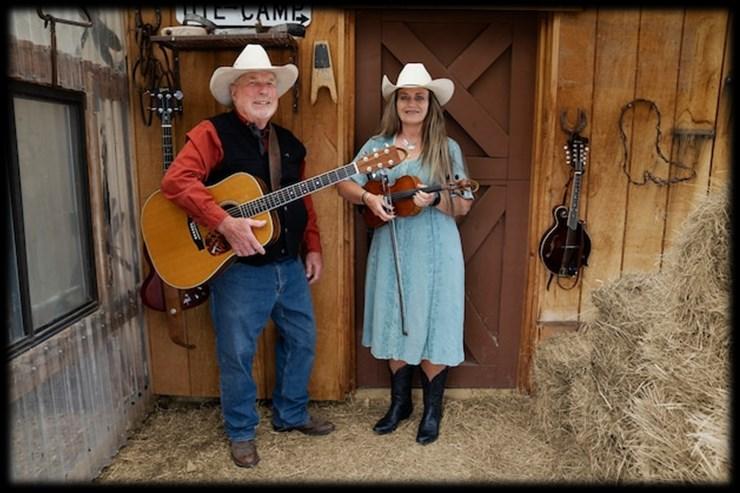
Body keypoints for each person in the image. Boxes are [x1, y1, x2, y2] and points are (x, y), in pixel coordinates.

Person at [160, 44, 334, 469]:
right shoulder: (212, 133)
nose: (263, 89)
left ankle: (291, 413)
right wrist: (223, 221)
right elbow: (176, 181)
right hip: (238, 270)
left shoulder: (289, 143)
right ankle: (241, 432)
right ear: (234, 91)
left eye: (269, 82)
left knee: (302, 340)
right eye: (253, 82)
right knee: (236, 353)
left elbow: (304, 200)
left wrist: (312, 245)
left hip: (288, 265)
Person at [336, 63, 474, 445]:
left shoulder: (447, 149)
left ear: (430, 104)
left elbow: (464, 204)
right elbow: (345, 184)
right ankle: (400, 405)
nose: (412, 103)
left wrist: (437, 200)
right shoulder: (376, 146)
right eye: (405, 97)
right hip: (393, 245)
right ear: (395, 103)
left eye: (419, 97)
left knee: (436, 318)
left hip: (438, 249)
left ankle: (432, 411)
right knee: (394, 316)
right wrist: (368, 198)